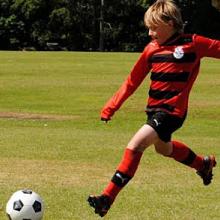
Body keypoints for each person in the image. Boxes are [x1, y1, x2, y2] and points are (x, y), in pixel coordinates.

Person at [87, 0, 220, 217]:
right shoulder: (151, 50)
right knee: (163, 149)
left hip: (172, 112)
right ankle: (202, 164)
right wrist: (111, 107)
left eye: (154, 27)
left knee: (135, 145)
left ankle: (106, 198)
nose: (150, 33)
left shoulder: (194, 43)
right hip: (154, 111)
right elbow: (132, 82)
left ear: (170, 23)